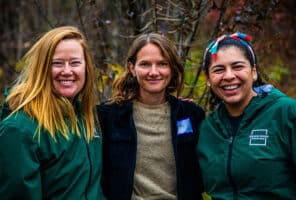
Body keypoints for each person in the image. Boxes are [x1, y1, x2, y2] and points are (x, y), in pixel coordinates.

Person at [0, 26, 105, 199]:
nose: (67, 71)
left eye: (75, 63)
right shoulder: (19, 129)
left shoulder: (87, 120)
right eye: (57, 63)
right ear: (42, 69)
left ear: (86, 68)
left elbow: (92, 188)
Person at [97, 33, 205, 200]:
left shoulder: (192, 115)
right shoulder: (108, 117)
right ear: (132, 68)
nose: (154, 72)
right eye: (145, 64)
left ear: (172, 68)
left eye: (162, 64)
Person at [196, 32, 296, 199]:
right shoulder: (208, 129)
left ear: (253, 72)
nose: (229, 76)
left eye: (237, 67)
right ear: (208, 79)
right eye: (219, 69)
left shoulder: (289, 114)